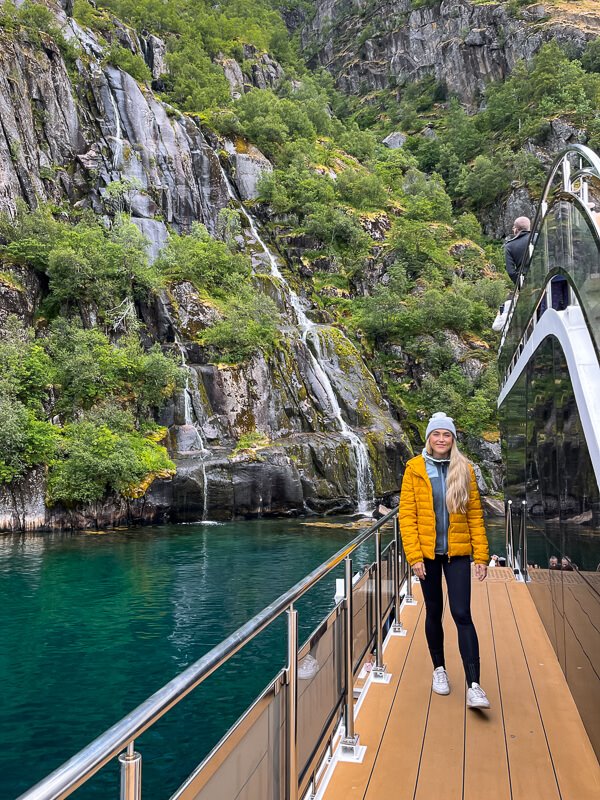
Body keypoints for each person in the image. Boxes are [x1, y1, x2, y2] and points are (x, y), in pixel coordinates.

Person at [399, 412, 491, 710]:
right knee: (434, 611)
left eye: (446, 434)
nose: (441, 439)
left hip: (459, 554)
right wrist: (413, 556)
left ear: (453, 439)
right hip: (427, 555)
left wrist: (481, 555)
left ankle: (474, 684)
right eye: (436, 434)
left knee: (462, 613)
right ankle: (439, 669)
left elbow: (475, 515)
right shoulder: (414, 468)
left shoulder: (465, 469)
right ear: (429, 438)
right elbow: (407, 517)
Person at [504, 216, 531, 284]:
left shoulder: (509, 246)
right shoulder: (540, 237)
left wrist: (520, 285)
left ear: (516, 229)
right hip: (546, 280)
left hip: (526, 282)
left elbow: (511, 272)